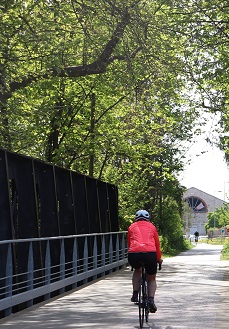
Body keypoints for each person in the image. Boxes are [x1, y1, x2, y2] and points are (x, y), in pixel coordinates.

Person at [128, 209, 163, 313]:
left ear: (136, 218)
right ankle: (151, 300)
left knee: (137, 270)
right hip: (150, 254)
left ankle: (135, 294)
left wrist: (131, 254)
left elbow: (129, 243)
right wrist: (159, 258)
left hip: (134, 254)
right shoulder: (152, 227)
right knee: (151, 278)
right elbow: (157, 245)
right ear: (148, 218)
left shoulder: (131, 227)